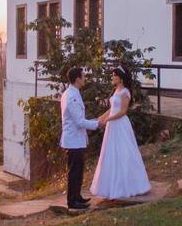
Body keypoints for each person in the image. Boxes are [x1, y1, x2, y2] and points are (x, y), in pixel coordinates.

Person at [90, 65, 151, 200]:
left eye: (114, 75)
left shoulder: (125, 92)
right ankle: (109, 185)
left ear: (120, 78)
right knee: (111, 153)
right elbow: (112, 109)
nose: (112, 77)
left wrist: (109, 120)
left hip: (120, 124)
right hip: (112, 125)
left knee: (124, 152)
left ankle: (130, 184)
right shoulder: (115, 90)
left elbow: (123, 111)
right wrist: (100, 118)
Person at [60, 67, 104, 210]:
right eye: (83, 76)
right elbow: (79, 121)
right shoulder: (71, 96)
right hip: (73, 141)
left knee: (78, 171)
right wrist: (97, 123)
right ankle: (72, 201)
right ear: (77, 78)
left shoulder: (74, 93)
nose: (85, 78)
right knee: (74, 172)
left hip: (76, 140)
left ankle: (77, 196)